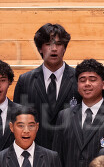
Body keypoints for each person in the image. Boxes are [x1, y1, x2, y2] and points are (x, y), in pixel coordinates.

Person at [57, 59, 104, 167]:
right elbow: (58, 158)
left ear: (103, 84)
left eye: (92, 79)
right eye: (82, 80)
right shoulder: (64, 115)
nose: (87, 84)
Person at [15, 22, 78, 151]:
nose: (54, 49)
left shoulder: (78, 79)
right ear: (40, 48)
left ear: (64, 48)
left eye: (59, 44)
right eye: (48, 44)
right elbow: (17, 119)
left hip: (70, 151)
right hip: (35, 152)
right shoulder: (25, 81)